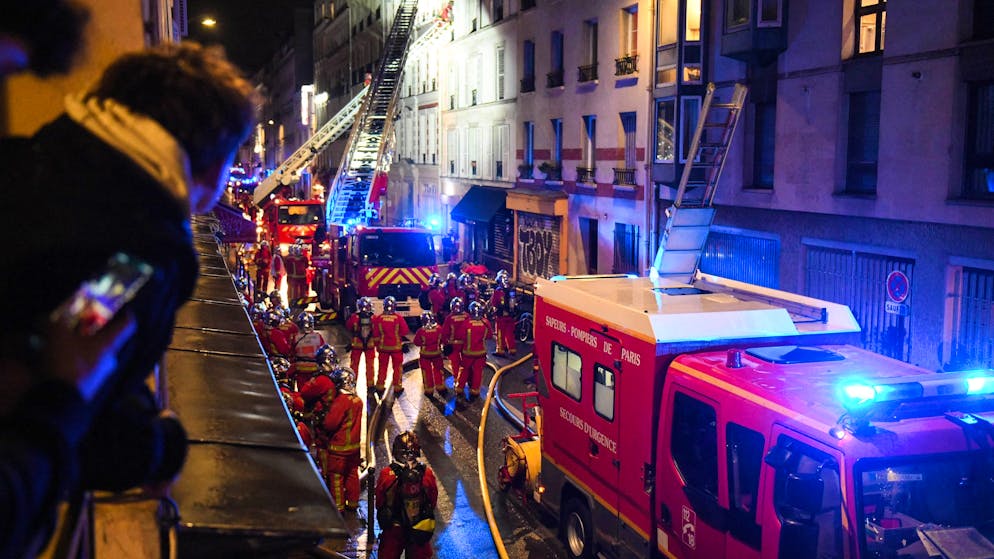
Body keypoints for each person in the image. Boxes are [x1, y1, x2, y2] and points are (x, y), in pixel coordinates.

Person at [0, 41, 257, 557]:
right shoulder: (136, 255)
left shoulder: (28, 165)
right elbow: (79, 360)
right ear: (209, 165)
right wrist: (157, 449)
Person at [375, 431, 438, 559]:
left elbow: (380, 502)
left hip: (393, 529)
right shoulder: (427, 474)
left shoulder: (387, 474)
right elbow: (432, 500)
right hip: (418, 527)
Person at [315, 366, 364, 512]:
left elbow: (330, 424)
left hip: (338, 449)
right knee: (352, 475)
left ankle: (338, 508)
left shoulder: (341, 401)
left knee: (336, 478)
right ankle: (353, 503)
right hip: (354, 448)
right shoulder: (357, 400)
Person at [372, 296, 410, 395]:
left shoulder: (379, 318)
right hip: (396, 348)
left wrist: (377, 346)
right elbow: (405, 331)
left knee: (382, 367)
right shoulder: (398, 318)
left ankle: (380, 386)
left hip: (383, 348)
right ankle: (397, 387)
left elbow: (375, 334)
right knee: (397, 368)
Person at [456, 301, 493, 401]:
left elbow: (460, 336)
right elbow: (489, 335)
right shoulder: (485, 323)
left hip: (467, 353)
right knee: (478, 371)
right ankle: (475, 390)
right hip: (481, 353)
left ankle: (460, 388)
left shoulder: (466, 323)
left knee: (464, 370)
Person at [346, 297, 377, 391]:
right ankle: (370, 385)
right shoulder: (373, 317)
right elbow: (377, 331)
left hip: (356, 345)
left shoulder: (354, 317)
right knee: (370, 366)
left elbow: (348, 326)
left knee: (354, 366)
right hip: (370, 345)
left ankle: (352, 384)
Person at [412, 312, 446, 396]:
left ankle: (429, 389)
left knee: (427, 373)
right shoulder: (439, 329)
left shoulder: (421, 331)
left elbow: (416, 342)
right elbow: (444, 339)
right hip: (437, 354)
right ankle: (440, 386)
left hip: (425, 355)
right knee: (438, 370)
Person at [291, 311, 326, 388]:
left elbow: (291, 353)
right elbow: (324, 352)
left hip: (301, 370)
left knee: (302, 391)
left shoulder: (295, 338)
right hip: (314, 369)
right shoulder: (318, 337)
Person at [440, 297, 468, 387]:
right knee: (466, 364)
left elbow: (444, 333)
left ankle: (457, 381)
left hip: (453, 345)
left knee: (455, 364)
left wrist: (444, 344)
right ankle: (465, 380)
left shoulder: (449, 318)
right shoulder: (467, 316)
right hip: (466, 344)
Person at [489, 272, 516, 357]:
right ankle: (512, 349)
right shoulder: (512, 290)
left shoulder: (498, 291)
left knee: (500, 333)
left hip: (501, 316)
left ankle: (500, 350)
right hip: (510, 316)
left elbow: (494, 302)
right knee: (510, 333)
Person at [285, 242, 309, 308]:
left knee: (292, 292)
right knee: (302, 291)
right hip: (302, 277)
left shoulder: (289, 259)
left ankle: (292, 303)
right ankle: (302, 303)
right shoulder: (304, 258)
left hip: (292, 278)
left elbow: (287, 267)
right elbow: (306, 266)